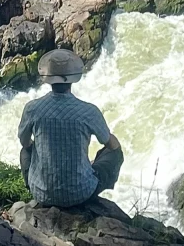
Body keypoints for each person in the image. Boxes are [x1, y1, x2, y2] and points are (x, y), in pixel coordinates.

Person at [18, 49, 123, 208]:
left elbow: (25, 142)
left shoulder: (32, 108)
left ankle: (39, 187)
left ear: (48, 79)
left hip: (42, 193)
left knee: (25, 152)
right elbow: (110, 144)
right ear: (72, 79)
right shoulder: (89, 111)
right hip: (81, 193)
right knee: (114, 151)